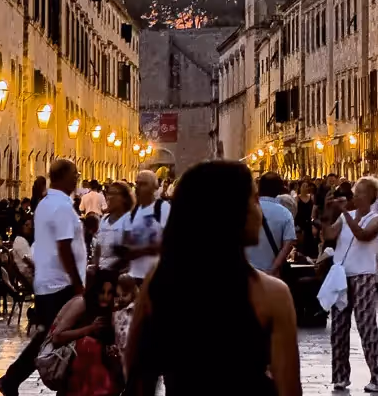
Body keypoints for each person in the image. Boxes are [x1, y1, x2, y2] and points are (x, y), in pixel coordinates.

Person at [124, 160, 301, 395]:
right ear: (229, 211)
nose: (260, 211)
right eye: (253, 200)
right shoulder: (271, 294)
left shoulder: (160, 281)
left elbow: (137, 370)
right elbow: (288, 389)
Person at [0, 158, 87, 396]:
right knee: (55, 336)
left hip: (48, 281)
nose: (77, 178)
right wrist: (77, 283)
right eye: (74, 174)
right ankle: (14, 379)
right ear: (63, 177)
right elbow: (65, 246)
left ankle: (16, 379)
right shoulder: (62, 207)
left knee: (49, 335)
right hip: (61, 284)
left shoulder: (45, 204)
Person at [324, 176, 378, 393]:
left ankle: (377, 377)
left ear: (371, 196)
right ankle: (340, 376)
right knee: (339, 327)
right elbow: (329, 234)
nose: (355, 196)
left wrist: (344, 215)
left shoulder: (376, 218)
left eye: (360, 192)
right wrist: (326, 212)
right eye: (355, 192)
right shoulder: (346, 216)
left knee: (366, 326)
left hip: (363, 276)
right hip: (342, 275)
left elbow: (363, 235)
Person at [48, 270, 123, 396]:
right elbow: (57, 337)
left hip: (88, 366)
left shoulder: (108, 308)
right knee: (89, 345)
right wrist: (89, 329)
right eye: (102, 292)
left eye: (109, 293)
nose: (105, 297)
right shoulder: (81, 303)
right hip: (67, 358)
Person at [247, 172, 296, 276]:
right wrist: (272, 270)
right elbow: (288, 244)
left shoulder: (247, 209)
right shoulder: (285, 213)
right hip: (271, 274)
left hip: (245, 272)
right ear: (280, 189)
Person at [123, 170, 163, 282]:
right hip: (134, 276)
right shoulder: (134, 211)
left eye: (143, 184)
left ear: (154, 187)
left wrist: (141, 251)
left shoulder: (162, 208)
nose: (138, 187)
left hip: (154, 276)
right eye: (137, 183)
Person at [94, 182, 132, 276]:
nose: (109, 197)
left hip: (118, 274)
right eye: (108, 193)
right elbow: (98, 248)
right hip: (101, 272)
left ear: (124, 198)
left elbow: (129, 254)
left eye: (114, 194)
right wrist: (95, 267)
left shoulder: (128, 220)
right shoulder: (104, 219)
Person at [113, 274, 139, 378]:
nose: (120, 298)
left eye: (124, 295)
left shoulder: (135, 308)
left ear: (132, 293)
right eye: (118, 295)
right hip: (119, 355)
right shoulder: (116, 310)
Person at [294, 179, 318, 259]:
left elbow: (314, 210)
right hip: (300, 223)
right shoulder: (297, 199)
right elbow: (295, 212)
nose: (305, 188)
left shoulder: (311, 197)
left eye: (306, 186)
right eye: (303, 186)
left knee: (310, 241)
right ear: (300, 188)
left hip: (309, 223)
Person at [11, 215, 34, 283]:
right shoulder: (20, 240)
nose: (29, 228)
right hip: (27, 277)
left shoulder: (24, 240)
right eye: (26, 225)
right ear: (21, 226)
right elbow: (29, 261)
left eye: (31, 225)